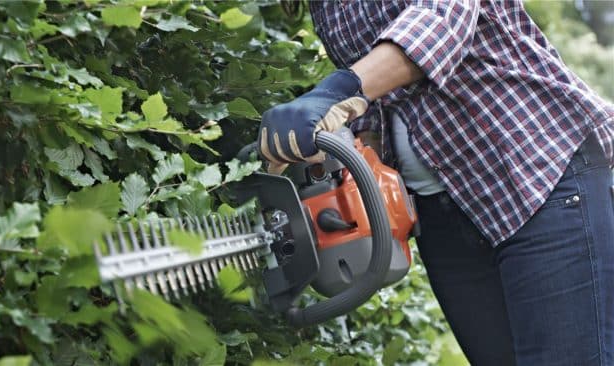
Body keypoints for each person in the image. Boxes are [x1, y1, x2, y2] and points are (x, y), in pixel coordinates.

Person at [260, 1, 614, 365]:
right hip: (443, 212)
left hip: (536, 174)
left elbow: (440, 20)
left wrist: (337, 92)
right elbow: (381, 100)